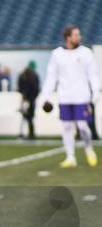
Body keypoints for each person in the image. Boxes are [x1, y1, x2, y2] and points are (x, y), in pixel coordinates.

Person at [40, 25, 99, 168]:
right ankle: (70, 157)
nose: (79, 37)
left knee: (82, 126)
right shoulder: (57, 54)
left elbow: (93, 74)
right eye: (76, 35)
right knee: (66, 126)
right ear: (68, 38)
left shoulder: (86, 53)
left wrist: (96, 91)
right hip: (64, 96)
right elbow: (51, 77)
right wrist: (46, 96)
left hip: (82, 96)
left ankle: (89, 149)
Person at [17, 61, 40, 139]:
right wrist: (32, 98)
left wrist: (24, 96)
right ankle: (30, 133)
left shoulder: (22, 75)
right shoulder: (34, 75)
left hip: (25, 98)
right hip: (31, 99)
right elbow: (36, 89)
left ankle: (22, 132)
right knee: (29, 116)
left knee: (25, 116)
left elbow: (20, 87)